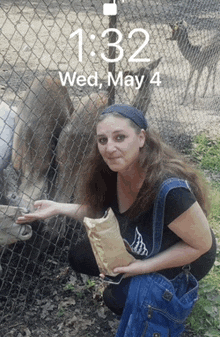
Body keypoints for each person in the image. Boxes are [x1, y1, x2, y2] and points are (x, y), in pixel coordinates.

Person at [17, 105, 216, 316]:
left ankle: (174, 292)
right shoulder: (113, 172)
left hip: (188, 258)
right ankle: (139, 281)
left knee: (116, 299)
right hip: (146, 245)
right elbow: (103, 214)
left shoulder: (169, 188)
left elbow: (201, 245)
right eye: (103, 140)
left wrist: (142, 267)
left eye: (119, 137)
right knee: (79, 256)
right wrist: (58, 207)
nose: (109, 148)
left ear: (141, 138)